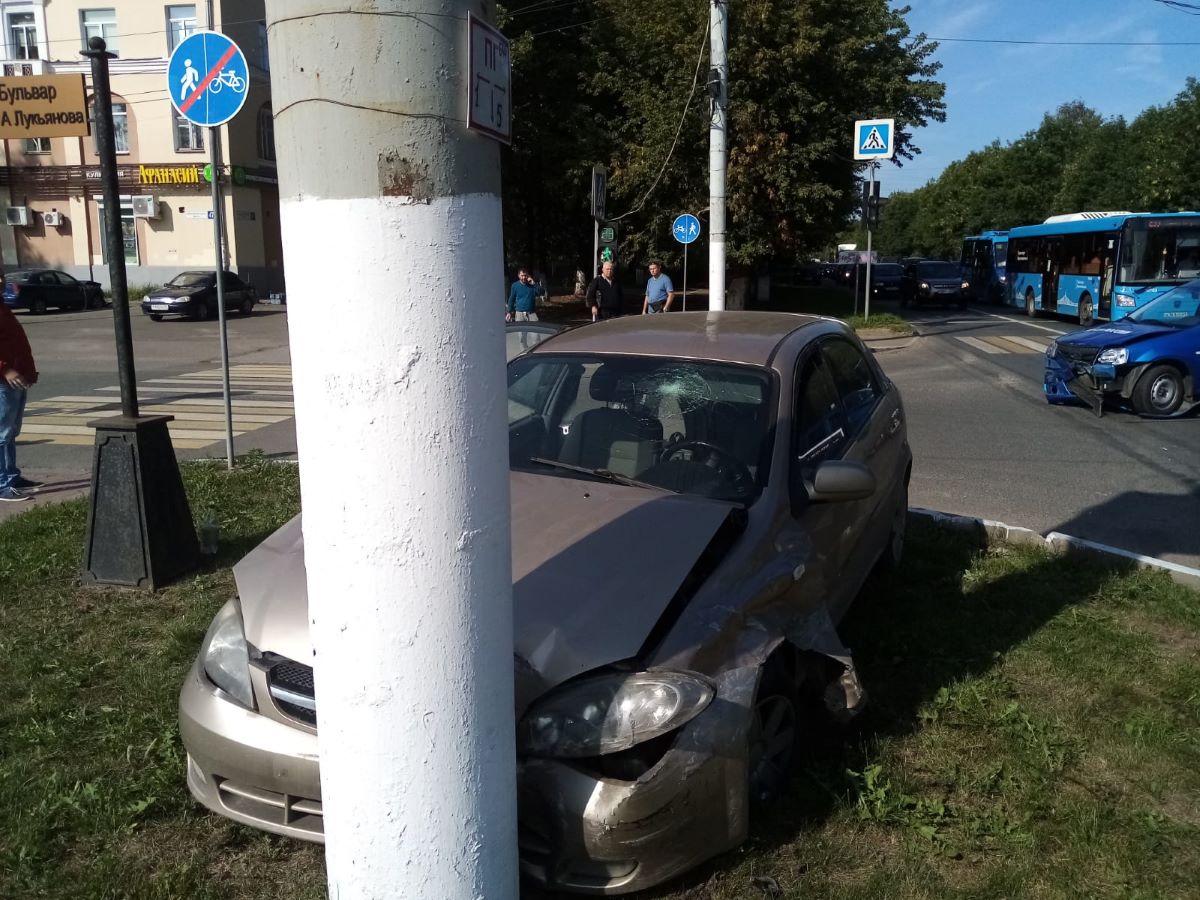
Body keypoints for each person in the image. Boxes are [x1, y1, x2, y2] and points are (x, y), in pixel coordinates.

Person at [0, 300, 38, 502]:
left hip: (15, 379)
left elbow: (16, 344)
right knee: (1, 434)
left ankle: (12, 477)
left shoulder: (3, 307)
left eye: (2, 277)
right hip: (3, 380)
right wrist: (4, 369)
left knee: (10, 432)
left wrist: (28, 372)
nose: (0, 282)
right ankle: (1, 484)